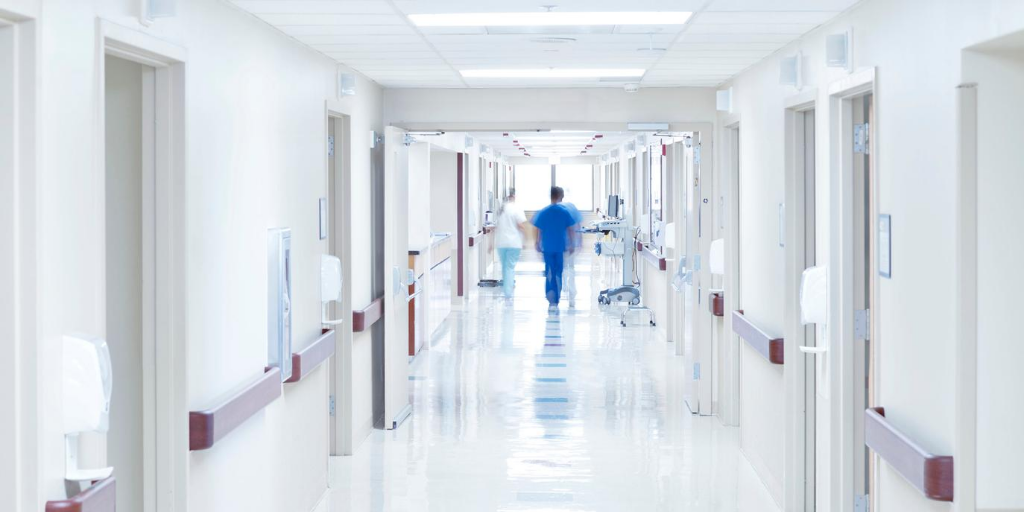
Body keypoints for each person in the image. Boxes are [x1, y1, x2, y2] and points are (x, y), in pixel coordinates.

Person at [532, 187, 578, 311]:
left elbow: (538, 228)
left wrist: (537, 242)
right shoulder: (564, 212)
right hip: (559, 247)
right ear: (560, 196)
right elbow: (570, 229)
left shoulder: (544, 211)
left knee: (549, 272)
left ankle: (551, 299)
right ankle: (556, 299)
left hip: (547, 247)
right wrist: (572, 244)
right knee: (558, 272)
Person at [495, 189, 527, 300]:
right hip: (514, 243)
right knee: (510, 267)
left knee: (505, 267)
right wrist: (525, 238)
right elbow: (520, 225)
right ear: (514, 196)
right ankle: (508, 292)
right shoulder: (517, 208)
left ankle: (507, 290)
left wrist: (490, 244)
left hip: (501, 243)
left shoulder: (501, 210)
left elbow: (497, 226)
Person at [558, 195, 583, 308]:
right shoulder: (572, 207)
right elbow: (577, 225)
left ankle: (564, 286)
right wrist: (579, 241)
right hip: (571, 244)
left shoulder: (555, 208)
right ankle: (572, 295)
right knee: (571, 268)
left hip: (558, 243)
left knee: (560, 267)